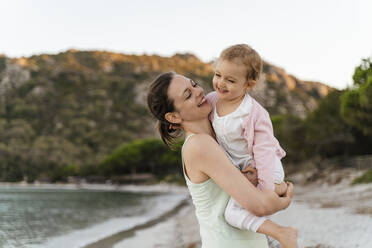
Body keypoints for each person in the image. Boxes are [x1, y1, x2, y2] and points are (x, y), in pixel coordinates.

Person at [147, 71, 297, 248]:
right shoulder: (199, 145)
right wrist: (285, 194)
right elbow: (260, 205)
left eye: (194, 84)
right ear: (174, 117)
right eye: (188, 95)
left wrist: (276, 188)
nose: (199, 91)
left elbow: (259, 187)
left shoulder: (222, 137)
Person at [206, 44, 296, 248]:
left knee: (233, 213)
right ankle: (270, 236)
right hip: (243, 171)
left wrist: (265, 189)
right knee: (239, 208)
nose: (220, 83)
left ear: (249, 85)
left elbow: (264, 152)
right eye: (218, 75)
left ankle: (282, 233)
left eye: (230, 80)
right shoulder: (211, 101)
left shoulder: (254, 113)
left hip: (266, 168)